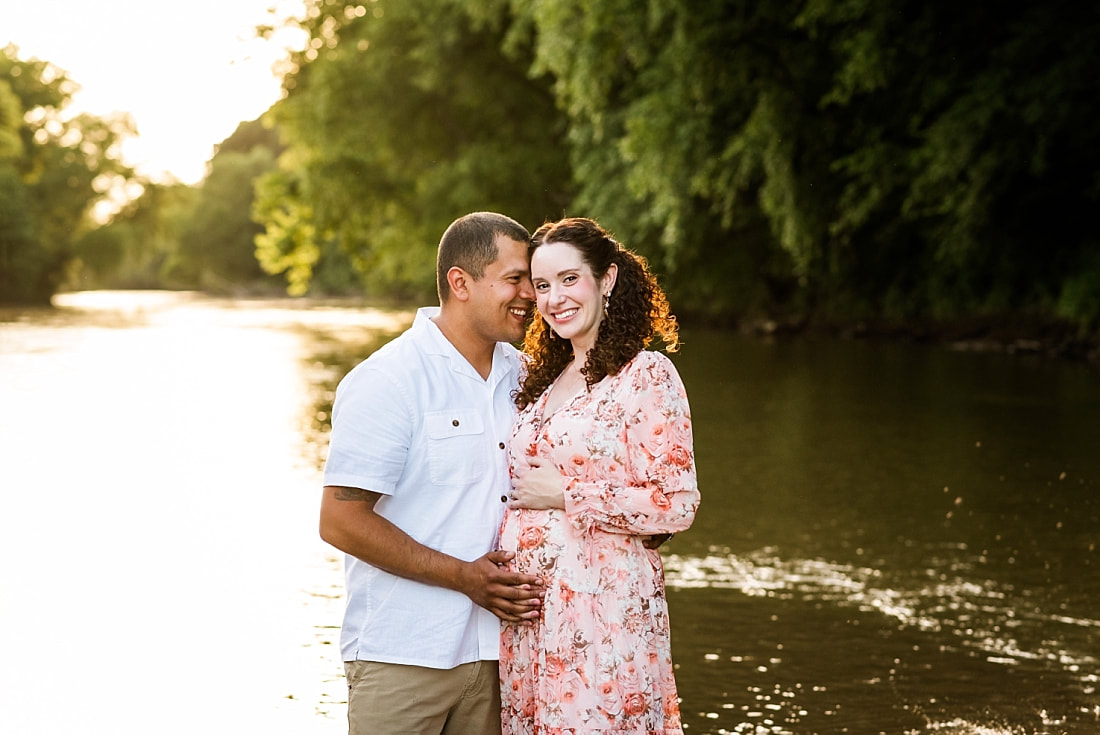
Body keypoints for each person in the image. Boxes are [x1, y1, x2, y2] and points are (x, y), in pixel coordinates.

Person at [319, 211, 546, 735]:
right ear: (460, 282)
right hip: (403, 654)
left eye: (531, 282)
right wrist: (465, 578)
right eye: (514, 280)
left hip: (502, 658)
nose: (529, 295)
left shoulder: (530, 377)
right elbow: (340, 521)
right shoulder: (388, 380)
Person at [499, 217, 700, 734]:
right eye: (542, 286)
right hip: (533, 624)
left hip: (603, 617)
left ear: (606, 279)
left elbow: (676, 503)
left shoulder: (646, 374)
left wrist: (570, 494)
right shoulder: (542, 379)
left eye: (570, 279)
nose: (554, 298)